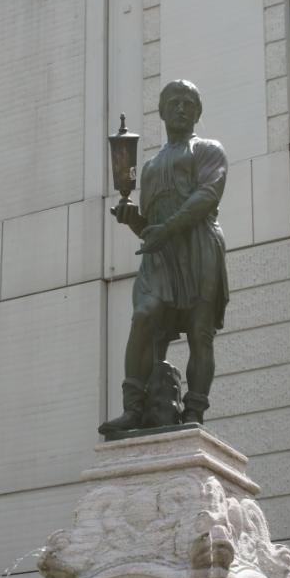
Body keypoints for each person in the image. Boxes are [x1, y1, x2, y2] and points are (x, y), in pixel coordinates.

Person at [99, 79, 229, 434]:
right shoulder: (150, 167)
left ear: (197, 113)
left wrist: (165, 229)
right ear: (162, 111)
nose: (182, 107)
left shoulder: (208, 150)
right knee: (144, 316)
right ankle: (133, 406)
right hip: (162, 255)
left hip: (199, 247)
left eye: (189, 102)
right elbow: (151, 230)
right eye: (174, 101)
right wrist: (134, 221)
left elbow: (206, 197)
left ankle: (194, 411)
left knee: (200, 331)